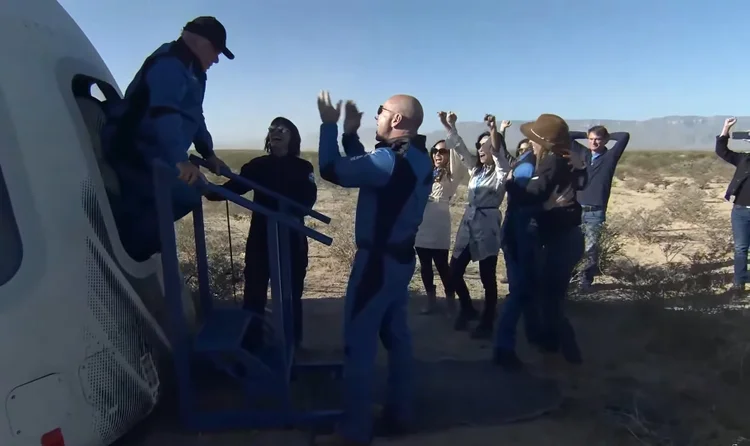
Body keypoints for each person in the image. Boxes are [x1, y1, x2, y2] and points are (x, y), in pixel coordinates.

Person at [316, 91, 432, 446]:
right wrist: (351, 137)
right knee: (397, 337)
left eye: (381, 112)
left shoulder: (390, 160)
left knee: (359, 342)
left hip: (376, 264)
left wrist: (329, 126)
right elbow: (372, 169)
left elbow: (333, 169)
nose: (377, 117)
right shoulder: (418, 157)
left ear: (396, 120)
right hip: (399, 260)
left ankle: (353, 432)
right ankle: (400, 413)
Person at [101, 16, 232, 261]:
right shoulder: (170, 63)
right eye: (216, 51)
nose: (215, 59)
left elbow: (194, 115)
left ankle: (139, 243)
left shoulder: (194, 72)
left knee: (186, 193)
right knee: (184, 194)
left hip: (155, 151)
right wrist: (179, 160)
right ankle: (126, 249)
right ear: (200, 41)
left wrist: (209, 153)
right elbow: (164, 113)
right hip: (134, 150)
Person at [205, 117, 316, 349]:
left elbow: (307, 201)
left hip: (292, 237)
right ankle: (251, 343)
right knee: (254, 290)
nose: (275, 132)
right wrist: (208, 189)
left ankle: (291, 346)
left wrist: (287, 206)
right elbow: (234, 188)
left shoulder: (304, 167)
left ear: (292, 136)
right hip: (261, 237)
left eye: (282, 129)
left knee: (291, 293)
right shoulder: (257, 165)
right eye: (272, 128)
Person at [510, 113, 587, 365]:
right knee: (549, 295)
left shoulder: (551, 162)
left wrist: (510, 185)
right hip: (565, 237)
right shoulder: (563, 161)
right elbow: (580, 182)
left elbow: (534, 193)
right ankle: (553, 347)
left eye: (533, 139)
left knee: (550, 298)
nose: (530, 143)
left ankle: (568, 353)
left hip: (561, 239)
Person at [440, 111, 513, 339]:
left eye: (487, 146)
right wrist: (449, 125)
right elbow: (461, 149)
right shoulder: (476, 170)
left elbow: (500, 155)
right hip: (468, 224)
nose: (482, 150)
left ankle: (488, 318)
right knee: (453, 273)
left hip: (487, 226)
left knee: (487, 276)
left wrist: (494, 130)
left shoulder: (502, 173)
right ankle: (468, 307)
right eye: (480, 146)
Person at [493, 141, 544, 370]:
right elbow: (518, 195)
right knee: (520, 290)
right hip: (520, 233)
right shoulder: (527, 165)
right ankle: (504, 347)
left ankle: (534, 336)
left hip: (520, 232)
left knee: (528, 289)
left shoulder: (529, 162)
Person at [569, 125, 630, 291]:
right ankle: (571, 278)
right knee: (572, 246)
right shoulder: (583, 153)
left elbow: (624, 135)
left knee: (591, 248)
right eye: (591, 139)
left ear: (605, 140)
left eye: (597, 139)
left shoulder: (610, 156)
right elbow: (568, 136)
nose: (593, 142)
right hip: (575, 209)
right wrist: (586, 134)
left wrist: (607, 136)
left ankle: (585, 281)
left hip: (595, 211)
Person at [414, 139, 466, 314]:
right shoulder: (426, 173)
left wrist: (449, 127)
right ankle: (431, 300)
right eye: (435, 151)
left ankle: (450, 298)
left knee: (442, 264)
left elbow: (458, 160)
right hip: (423, 220)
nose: (438, 154)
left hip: (439, 222)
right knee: (425, 264)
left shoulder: (452, 175)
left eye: (443, 151)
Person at [715, 117, 750, 296]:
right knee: (740, 248)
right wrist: (726, 128)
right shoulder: (744, 160)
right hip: (741, 211)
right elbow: (722, 151)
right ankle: (739, 284)